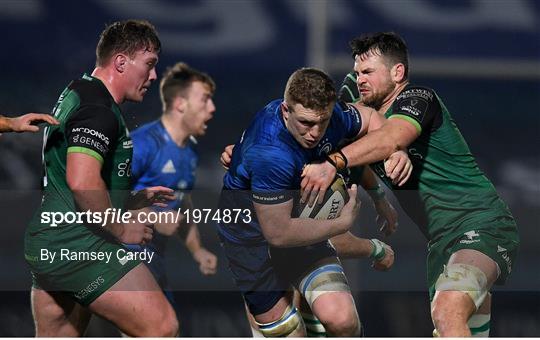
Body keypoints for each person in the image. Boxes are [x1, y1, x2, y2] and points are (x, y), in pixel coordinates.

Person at [300, 32, 519, 337]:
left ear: (397, 72)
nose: (360, 80)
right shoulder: (361, 113)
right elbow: (354, 138)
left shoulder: (419, 98)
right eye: (357, 73)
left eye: (368, 72)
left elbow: (391, 135)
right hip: (441, 241)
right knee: (457, 325)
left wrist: (335, 162)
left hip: (482, 221)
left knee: (448, 308)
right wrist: (379, 197)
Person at [217, 67, 410, 337]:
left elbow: (373, 121)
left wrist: (396, 151)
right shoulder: (272, 154)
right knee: (289, 331)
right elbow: (279, 234)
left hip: (298, 224)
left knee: (342, 320)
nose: (315, 133)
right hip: (253, 240)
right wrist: (349, 229)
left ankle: (308, 306)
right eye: (306, 123)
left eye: (323, 121)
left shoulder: (332, 121)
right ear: (286, 111)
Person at [24, 20, 179, 336]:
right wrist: (121, 227)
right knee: (161, 327)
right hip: (80, 244)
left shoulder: (80, 92)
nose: (153, 76)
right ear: (121, 62)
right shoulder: (98, 109)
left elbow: (71, 177)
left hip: (51, 243)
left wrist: (129, 198)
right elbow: (81, 180)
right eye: (149, 65)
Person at [129, 62, 218, 309]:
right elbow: (103, 195)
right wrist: (154, 217)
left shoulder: (188, 153)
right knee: (158, 328)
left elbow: (182, 202)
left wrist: (197, 249)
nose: (212, 108)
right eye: (204, 100)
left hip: (153, 257)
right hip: (122, 255)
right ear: (180, 103)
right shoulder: (143, 144)